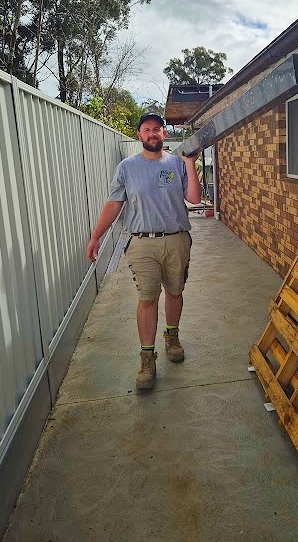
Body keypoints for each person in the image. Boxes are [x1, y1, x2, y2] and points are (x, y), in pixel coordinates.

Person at [86, 112, 201, 390]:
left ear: (164, 134)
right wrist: (96, 237)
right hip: (141, 243)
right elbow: (114, 204)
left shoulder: (176, 162)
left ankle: (172, 338)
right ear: (139, 135)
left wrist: (189, 164)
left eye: (157, 129)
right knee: (147, 298)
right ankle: (147, 358)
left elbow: (195, 199)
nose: (152, 134)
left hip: (176, 239)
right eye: (146, 129)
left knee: (175, 292)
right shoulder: (127, 168)